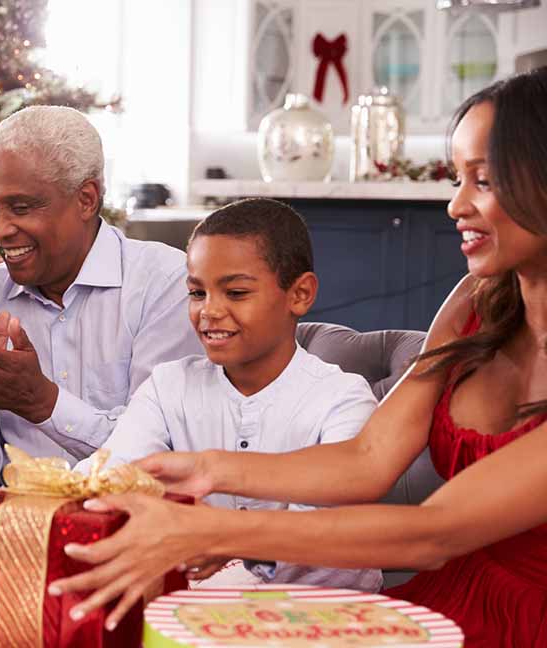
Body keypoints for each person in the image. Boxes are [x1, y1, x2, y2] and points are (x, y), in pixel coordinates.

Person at [49, 68, 547, 646]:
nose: (456, 205)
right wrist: (212, 468)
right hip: (451, 601)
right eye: (457, 178)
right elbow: (367, 455)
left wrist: (210, 530)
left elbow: (434, 534)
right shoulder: (472, 303)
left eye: (482, 181)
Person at [0, 106, 201, 546]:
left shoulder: (165, 285)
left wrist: (42, 402)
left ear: (86, 199)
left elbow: (158, 462)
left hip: (128, 526)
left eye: (20, 207)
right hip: (10, 526)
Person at [74, 198, 380, 592]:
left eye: (235, 293)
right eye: (197, 293)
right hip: (195, 618)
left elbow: (319, 533)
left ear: (300, 294)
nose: (209, 311)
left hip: (324, 619)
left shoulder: (342, 399)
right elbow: (113, 472)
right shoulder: (169, 387)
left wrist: (222, 537)